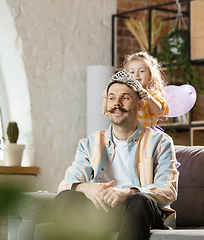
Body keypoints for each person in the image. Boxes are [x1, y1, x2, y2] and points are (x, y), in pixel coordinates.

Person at [54, 71, 179, 240]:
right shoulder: (91, 142)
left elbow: (168, 189)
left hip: (141, 210)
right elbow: (66, 184)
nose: (117, 104)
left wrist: (128, 192)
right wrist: (86, 187)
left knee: (139, 200)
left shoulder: (161, 141)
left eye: (125, 98)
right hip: (104, 210)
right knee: (65, 198)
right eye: (112, 98)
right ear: (106, 105)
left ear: (140, 104)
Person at [102, 51, 169, 129]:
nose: (136, 75)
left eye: (141, 71)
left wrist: (148, 98)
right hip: (127, 132)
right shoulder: (125, 94)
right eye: (132, 72)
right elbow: (106, 110)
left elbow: (158, 111)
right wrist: (107, 97)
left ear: (151, 75)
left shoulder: (152, 94)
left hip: (146, 133)